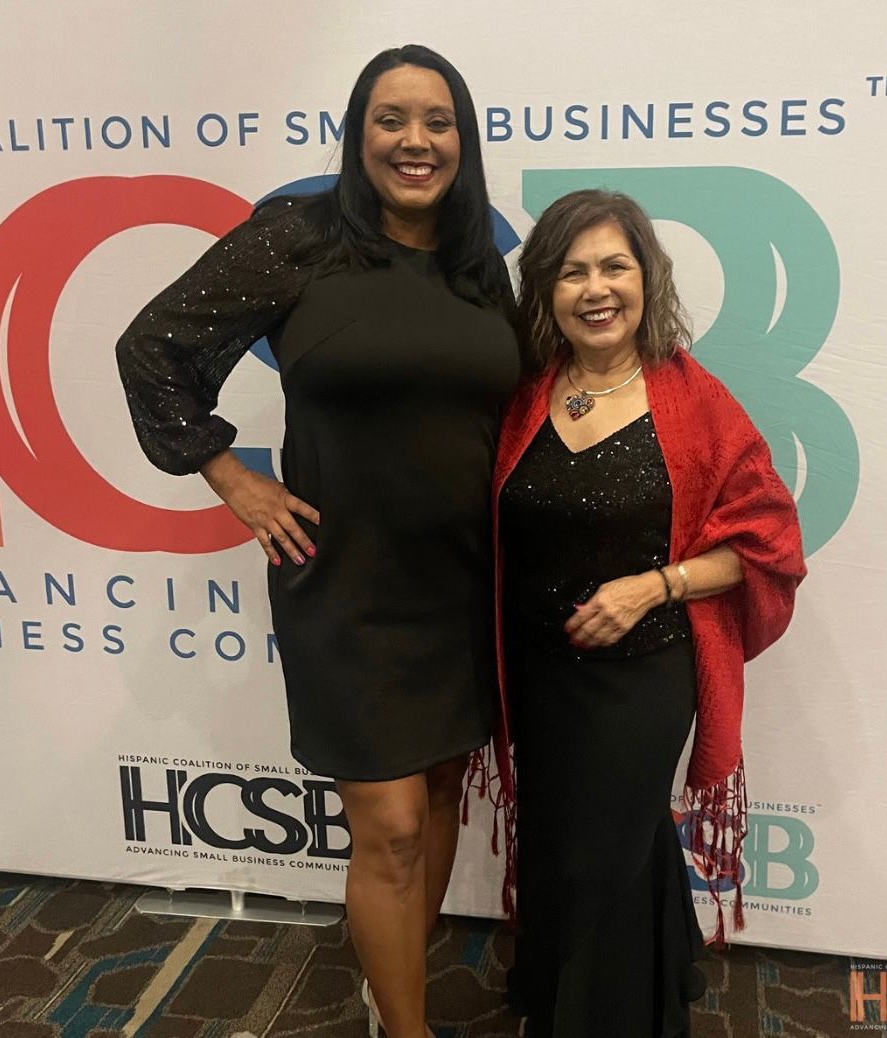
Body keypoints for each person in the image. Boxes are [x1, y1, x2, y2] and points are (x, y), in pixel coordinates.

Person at [115, 45, 520, 1038]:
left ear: (462, 142)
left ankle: (394, 1005)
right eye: (391, 119)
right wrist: (229, 473)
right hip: (343, 584)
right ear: (358, 134)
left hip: (462, 585)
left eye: (437, 122)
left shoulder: (479, 269)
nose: (414, 141)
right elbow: (153, 347)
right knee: (385, 828)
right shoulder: (297, 239)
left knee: (432, 810)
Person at [493, 190, 806, 1037]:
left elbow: (768, 543)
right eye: (572, 271)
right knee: (572, 847)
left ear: (646, 278)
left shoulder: (694, 401)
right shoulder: (524, 395)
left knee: (601, 854)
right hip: (540, 676)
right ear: (547, 292)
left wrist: (652, 585)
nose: (596, 289)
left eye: (614, 266)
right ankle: (647, 987)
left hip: (643, 679)